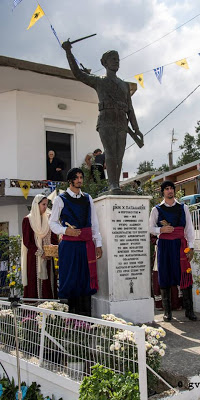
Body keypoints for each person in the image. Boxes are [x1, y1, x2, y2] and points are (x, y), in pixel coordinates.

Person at [62, 41, 143, 192]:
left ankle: (116, 184)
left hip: (122, 122)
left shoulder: (124, 85)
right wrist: (68, 52)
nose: (116, 61)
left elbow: (130, 108)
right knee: (110, 153)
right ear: (104, 63)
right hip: (106, 120)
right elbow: (78, 74)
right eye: (113, 58)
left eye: (118, 58)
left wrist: (136, 128)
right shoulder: (99, 81)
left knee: (119, 156)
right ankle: (113, 185)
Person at [49, 167, 102, 316]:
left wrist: (98, 243)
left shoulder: (88, 198)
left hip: (86, 244)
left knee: (86, 280)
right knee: (70, 280)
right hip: (69, 246)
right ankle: (71, 320)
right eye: (76, 177)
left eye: (81, 177)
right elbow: (52, 224)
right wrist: (66, 231)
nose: (80, 180)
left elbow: (94, 223)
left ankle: (86, 320)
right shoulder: (61, 199)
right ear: (70, 180)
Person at [149, 181, 197, 321]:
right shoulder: (156, 209)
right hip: (164, 246)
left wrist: (191, 247)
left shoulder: (183, 208)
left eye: (171, 189)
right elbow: (150, 228)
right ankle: (167, 312)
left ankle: (189, 311)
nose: (170, 191)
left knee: (184, 275)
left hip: (180, 245)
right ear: (163, 192)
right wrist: (161, 230)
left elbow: (189, 228)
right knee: (165, 275)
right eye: (167, 189)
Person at [21, 194, 58, 299]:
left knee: (48, 282)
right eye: (43, 204)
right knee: (34, 281)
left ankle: (50, 309)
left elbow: (54, 238)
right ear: (36, 205)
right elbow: (27, 241)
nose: (45, 207)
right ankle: (34, 312)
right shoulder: (28, 220)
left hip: (48, 257)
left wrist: (51, 249)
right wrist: (40, 253)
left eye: (47, 204)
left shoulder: (49, 219)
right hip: (34, 258)